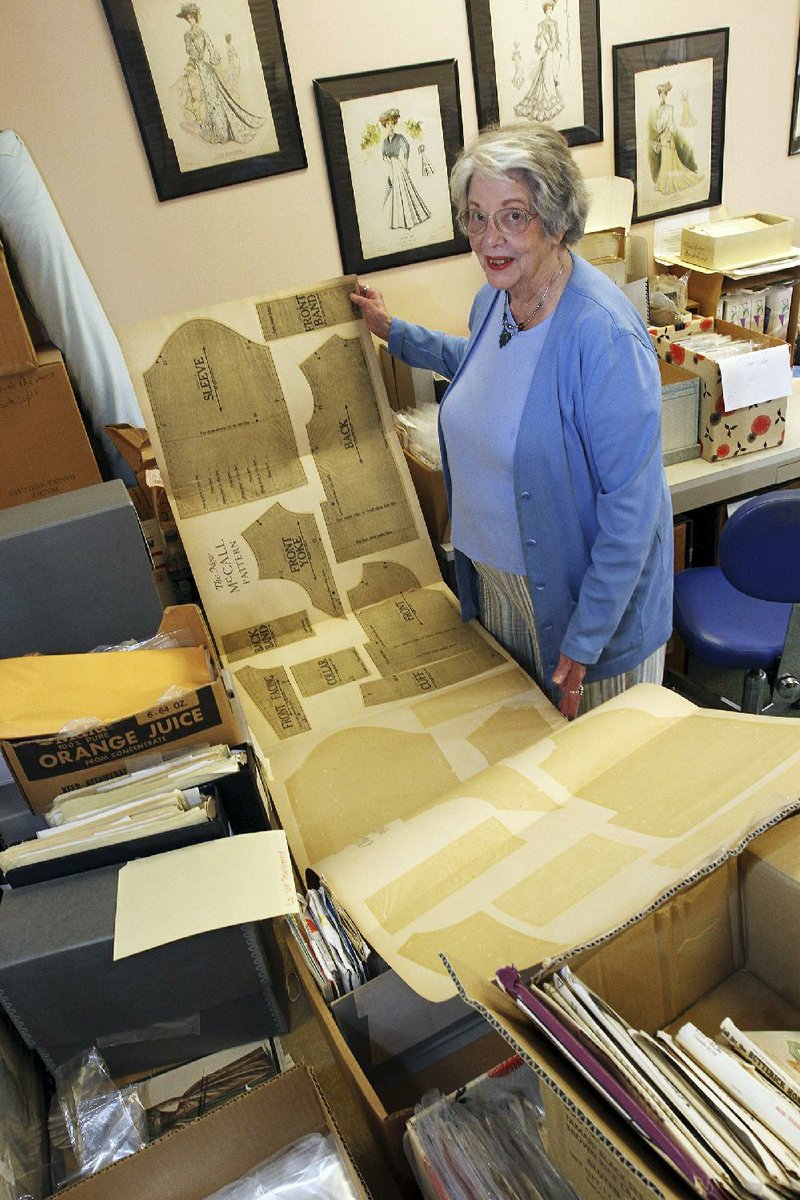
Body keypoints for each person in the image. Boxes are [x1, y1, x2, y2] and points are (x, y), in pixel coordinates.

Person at [350, 122, 673, 721]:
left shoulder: (604, 338)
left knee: (595, 793)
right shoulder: (496, 298)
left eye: (514, 216)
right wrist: (394, 333)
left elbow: (633, 512)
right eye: (476, 216)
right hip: (500, 592)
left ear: (555, 218)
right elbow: (485, 372)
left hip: (582, 615)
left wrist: (584, 640)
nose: (489, 238)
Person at [176, 4, 263, 146]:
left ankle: (223, 131)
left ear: (196, 17)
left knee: (215, 99)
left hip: (206, 69)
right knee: (210, 102)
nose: (190, 20)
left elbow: (211, 49)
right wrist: (190, 66)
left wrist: (216, 60)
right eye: (188, 18)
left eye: (192, 17)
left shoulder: (203, 33)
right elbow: (191, 55)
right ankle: (215, 130)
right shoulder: (186, 35)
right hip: (196, 69)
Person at [378, 108, 431, 231]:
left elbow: (406, 148)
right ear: (385, 125)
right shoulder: (385, 141)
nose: (390, 126)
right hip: (393, 165)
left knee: (405, 189)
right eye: (388, 124)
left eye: (392, 123)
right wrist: (390, 163)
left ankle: (411, 218)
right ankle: (399, 220)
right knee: (395, 190)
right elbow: (383, 155)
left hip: (399, 164)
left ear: (394, 124)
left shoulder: (399, 137)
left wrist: (405, 164)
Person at [514, 1, 564, 124]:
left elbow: (556, 38)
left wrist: (557, 47)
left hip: (553, 51)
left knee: (549, 73)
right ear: (545, 10)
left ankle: (552, 92)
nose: (550, 10)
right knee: (545, 73)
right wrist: (539, 46)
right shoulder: (541, 24)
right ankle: (549, 95)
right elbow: (539, 38)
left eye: (551, 8)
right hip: (547, 51)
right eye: (548, 8)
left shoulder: (555, 23)